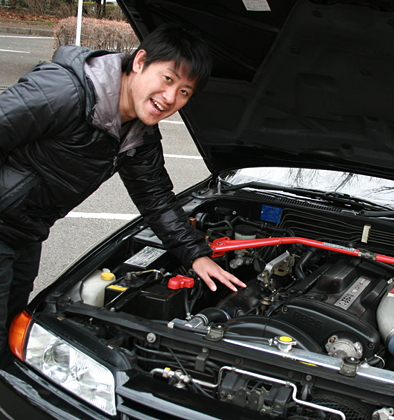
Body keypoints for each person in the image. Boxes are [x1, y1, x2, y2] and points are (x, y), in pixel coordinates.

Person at [0, 23, 246, 357]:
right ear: (140, 61)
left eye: (185, 92)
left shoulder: (139, 134)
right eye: (168, 79)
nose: (171, 98)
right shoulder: (65, 91)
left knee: (12, 328)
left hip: (26, 233)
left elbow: (155, 197)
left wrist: (196, 254)